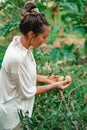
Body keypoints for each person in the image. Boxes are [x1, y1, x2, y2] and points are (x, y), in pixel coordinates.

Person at [0, 1, 71, 130]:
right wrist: (54, 85)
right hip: (14, 119)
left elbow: (24, 74)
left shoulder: (19, 44)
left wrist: (45, 79)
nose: (45, 41)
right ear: (32, 34)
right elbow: (28, 92)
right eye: (44, 37)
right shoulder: (17, 58)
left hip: (20, 111)